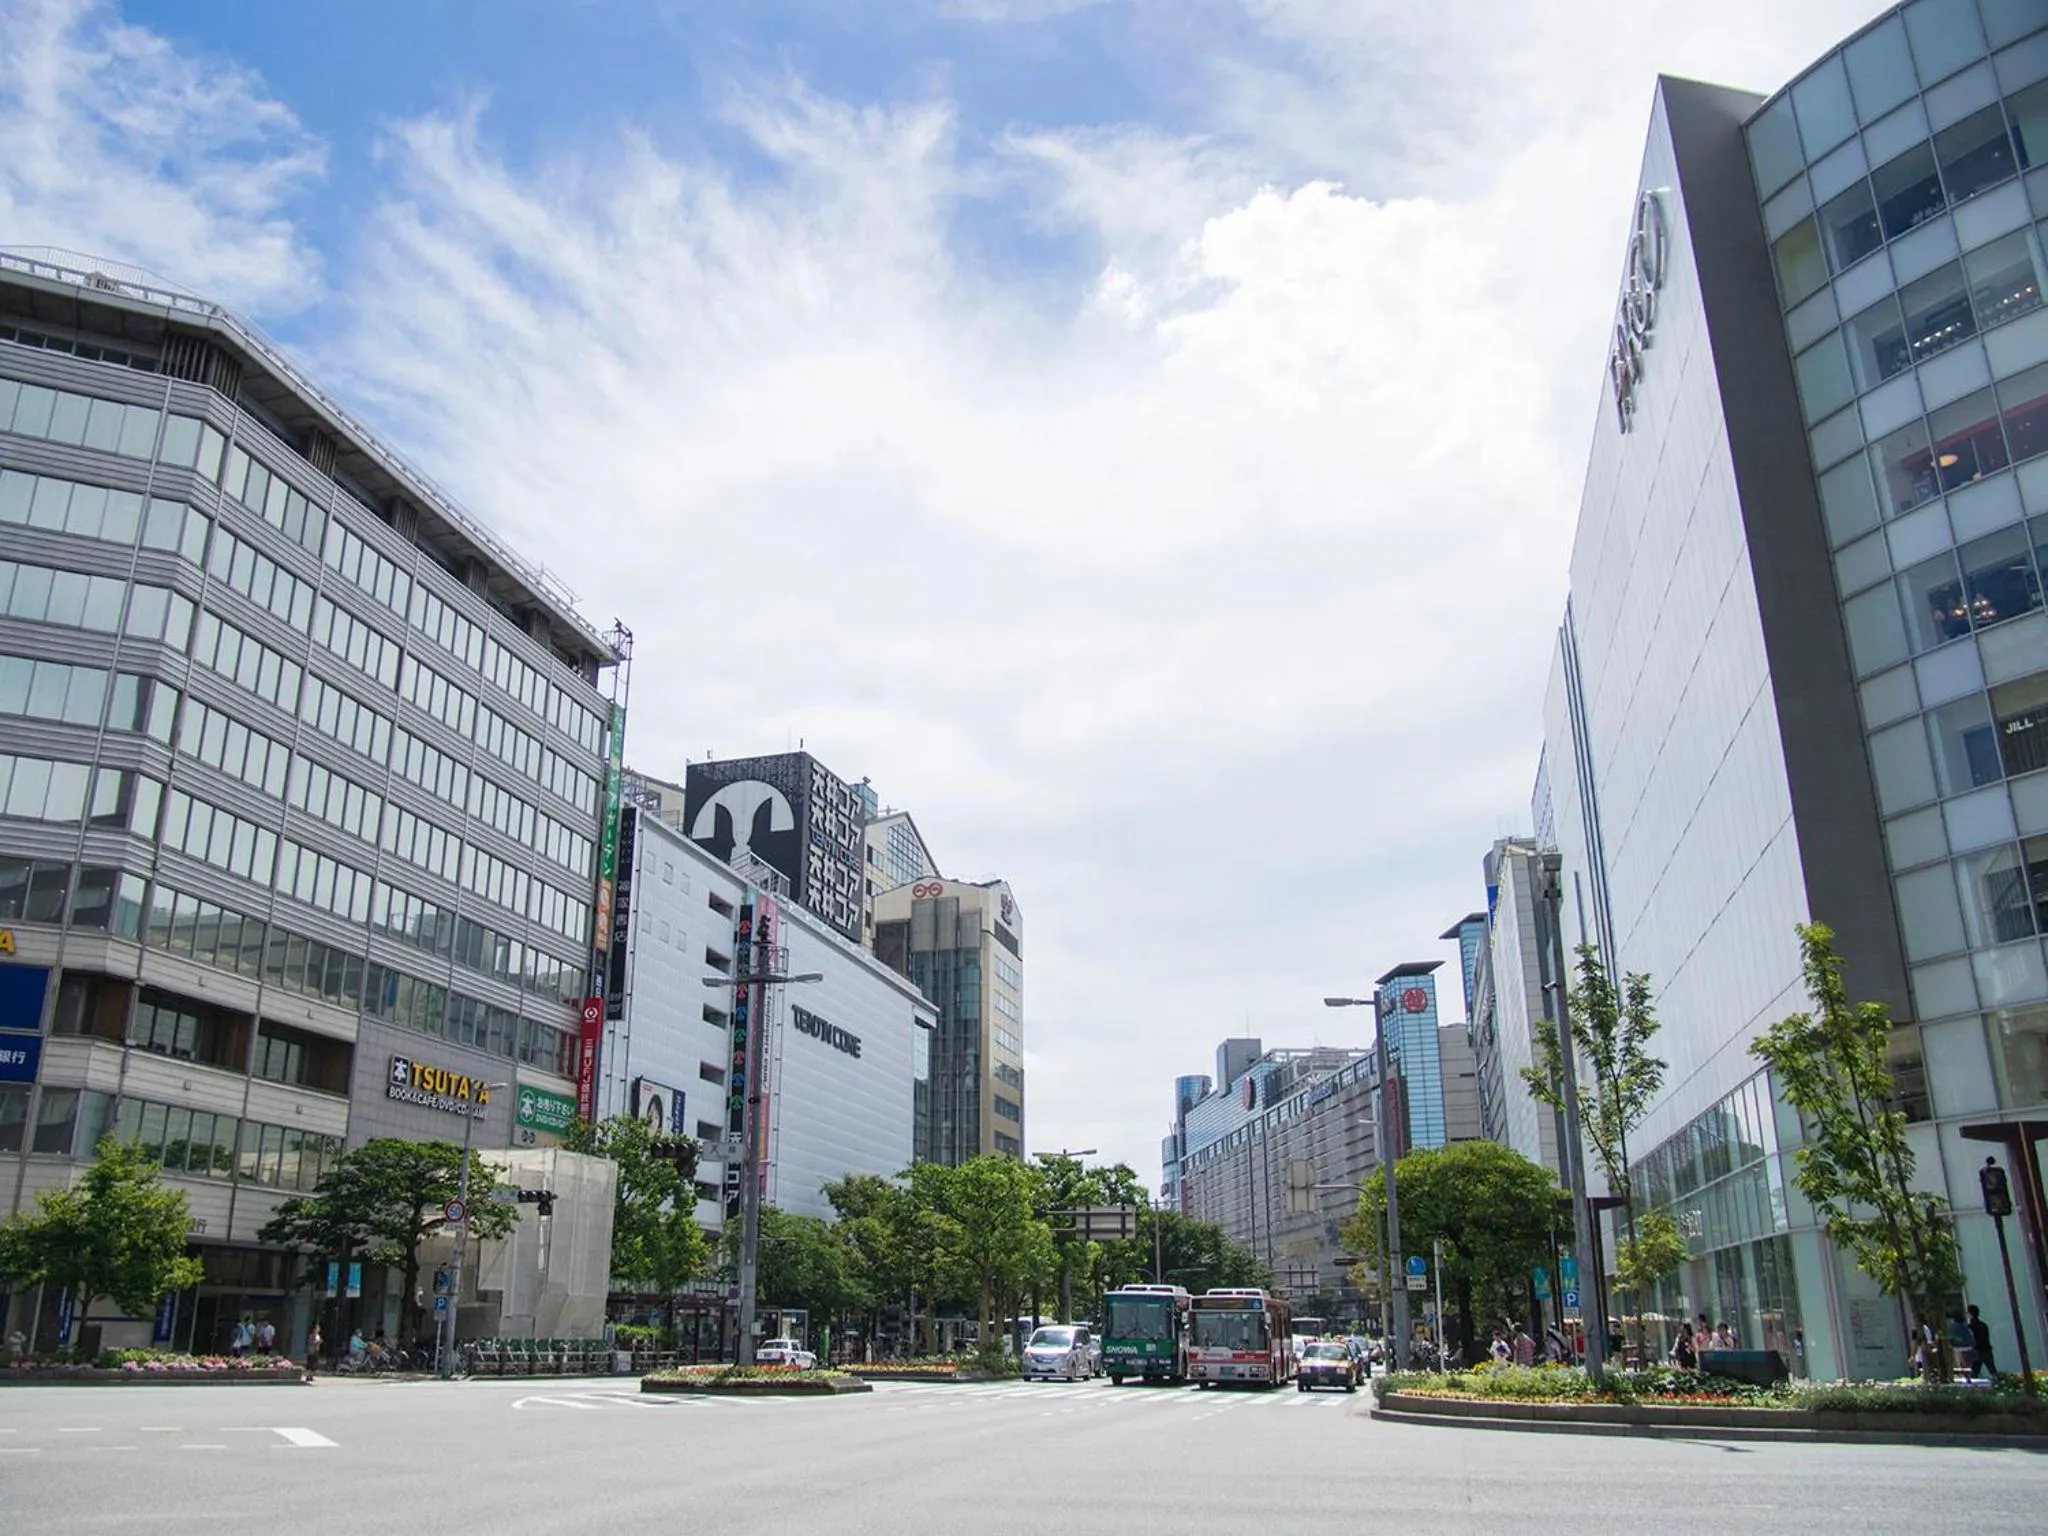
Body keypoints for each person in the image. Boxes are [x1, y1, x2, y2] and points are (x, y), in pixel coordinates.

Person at [1968, 1305, 1995, 1380]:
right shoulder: (1984, 1325)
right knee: (1992, 1370)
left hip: (1977, 1351)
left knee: (1974, 1373)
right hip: (1987, 1350)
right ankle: (1998, 1382)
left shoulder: (1970, 1327)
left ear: (1970, 1314)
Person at [1948, 1312, 1976, 1378]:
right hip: (1969, 1347)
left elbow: (1951, 1338)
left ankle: (1966, 1377)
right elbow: (1971, 1337)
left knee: (1961, 1365)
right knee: (1968, 1365)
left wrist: (1951, 1345)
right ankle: (1969, 1377)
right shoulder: (1966, 1327)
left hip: (1958, 1348)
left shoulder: (1952, 1327)